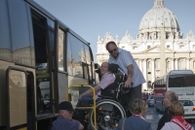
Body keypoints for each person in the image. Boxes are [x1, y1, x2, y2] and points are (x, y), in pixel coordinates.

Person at [105, 41, 145, 115]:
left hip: (135, 81)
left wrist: (129, 79)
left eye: (115, 49)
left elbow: (130, 68)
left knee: (136, 104)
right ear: (109, 52)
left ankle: (139, 121)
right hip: (125, 82)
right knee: (127, 104)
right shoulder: (110, 58)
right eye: (111, 51)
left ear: (117, 47)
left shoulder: (124, 54)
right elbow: (110, 71)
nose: (114, 52)